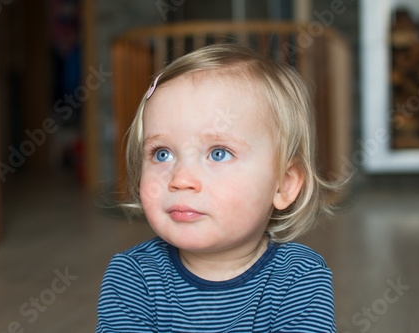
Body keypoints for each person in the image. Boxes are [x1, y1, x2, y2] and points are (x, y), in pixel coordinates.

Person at [97, 43, 340, 332]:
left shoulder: (300, 277)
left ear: (284, 185)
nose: (180, 179)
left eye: (218, 153)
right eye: (162, 153)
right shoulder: (132, 276)